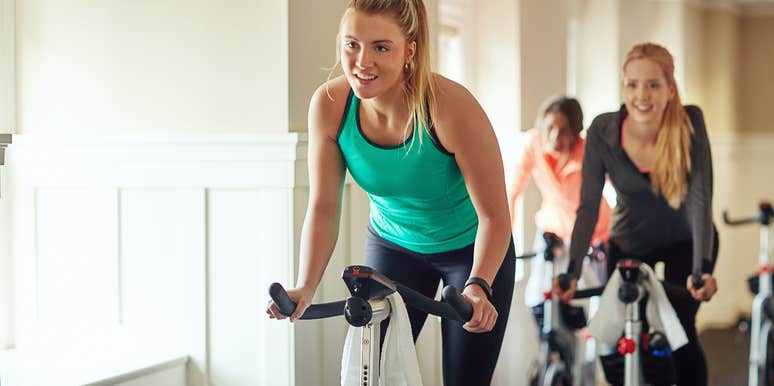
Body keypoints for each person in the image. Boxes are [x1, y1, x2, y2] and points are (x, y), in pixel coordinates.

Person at [265, 1, 515, 385]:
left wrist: (479, 285)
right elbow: (324, 208)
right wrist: (306, 285)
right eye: (352, 45)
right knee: (375, 374)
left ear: (409, 51)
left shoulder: (449, 107)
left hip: (470, 250)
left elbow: (495, 216)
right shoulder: (331, 106)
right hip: (395, 246)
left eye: (381, 47)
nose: (362, 61)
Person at [553, 42, 718, 386]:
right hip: (630, 243)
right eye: (632, 84)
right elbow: (588, 205)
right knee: (621, 335)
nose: (641, 95)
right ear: (623, 86)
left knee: (679, 333)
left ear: (670, 88)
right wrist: (572, 270)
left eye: (653, 85)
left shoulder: (690, 122)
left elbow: (701, 198)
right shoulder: (603, 130)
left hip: (686, 242)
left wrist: (700, 269)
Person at [507, 96, 612, 309]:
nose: (555, 136)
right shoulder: (534, 144)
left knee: (603, 302)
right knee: (537, 299)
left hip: (594, 233)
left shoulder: (588, 151)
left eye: (564, 130)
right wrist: (503, 241)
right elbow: (512, 191)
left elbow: (620, 185)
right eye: (550, 127)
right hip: (552, 229)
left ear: (576, 130)